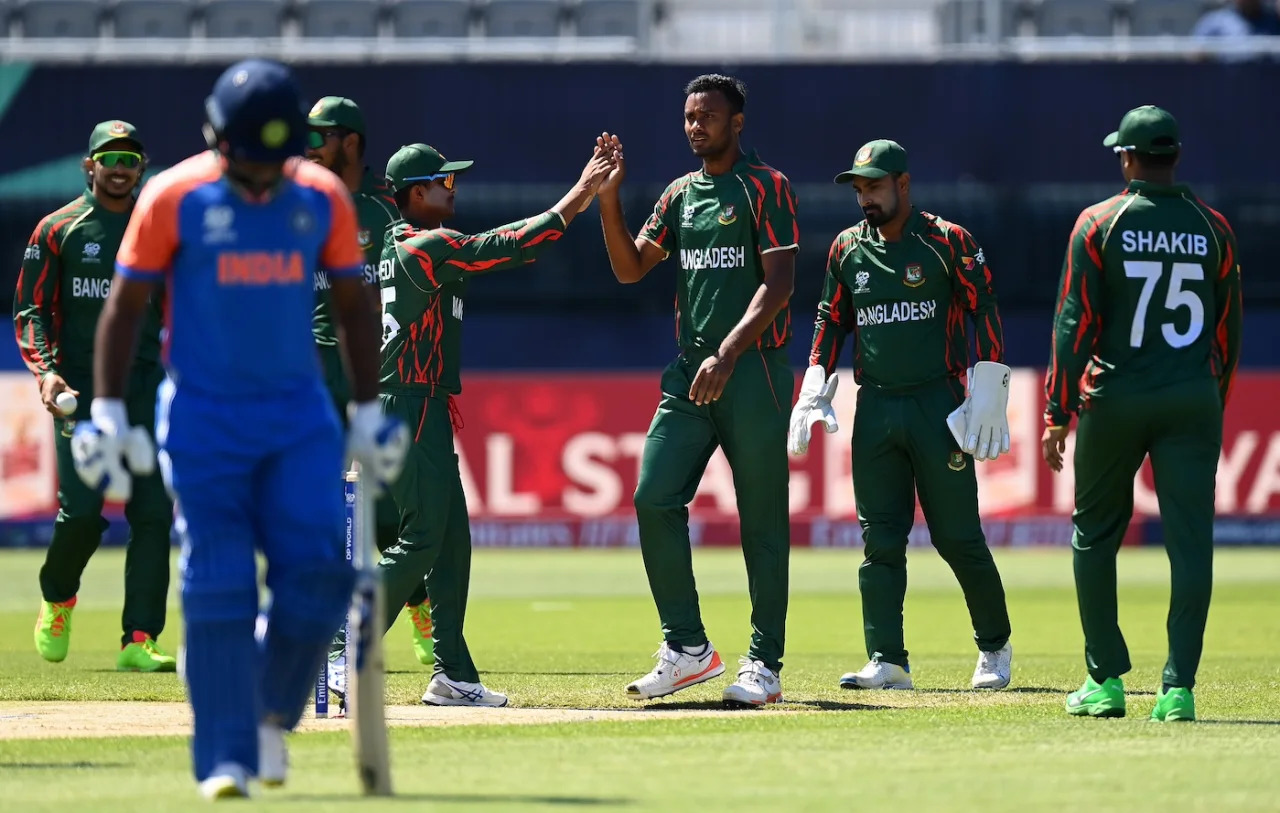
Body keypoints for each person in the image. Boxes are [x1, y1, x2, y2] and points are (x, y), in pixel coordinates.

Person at [70, 59, 407, 798]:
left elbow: (355, 303)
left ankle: (266, 710)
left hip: (298, 417)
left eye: (272, 168)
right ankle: (225, 754)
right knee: (217, 581)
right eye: (247, 167)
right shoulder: (173, 196)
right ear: (215, 137)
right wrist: (104, 408)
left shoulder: (320, 198)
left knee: (321, 577)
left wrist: (367, 408)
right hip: (203, 416)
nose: (260, 184)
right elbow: (124, 308)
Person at [374, 141, 613, 707]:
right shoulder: (428, 246)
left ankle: (451, 673)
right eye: (443, 182)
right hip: (410, 403)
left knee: (451, 541)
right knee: (423, 537)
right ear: (415, 194)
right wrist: (582, 192)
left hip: (412, 403)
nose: (453, 189)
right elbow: (516, 245)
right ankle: (334, 644)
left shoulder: (394, 245)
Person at [594, 73, 799, 707]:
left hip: (753, 368)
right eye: (688, 117)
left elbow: (781, 282)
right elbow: (630, 268)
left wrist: (729, 353)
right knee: (653, 496)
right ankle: (687, 648)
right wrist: (608, 197)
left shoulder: (768, 187)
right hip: (690, 372)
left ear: (737, 122)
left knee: (761, 520)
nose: (695, 126)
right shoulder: (681, 195)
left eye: (707, 116)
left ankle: (763, 663)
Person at [1043, 105, 1242, 722]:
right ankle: (1178, 689)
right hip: (1191, 398)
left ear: (1127, 159)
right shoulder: (1214, 229)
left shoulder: (1100, 222)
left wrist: (1057, 410)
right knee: (1191, 544)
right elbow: (1229, 331)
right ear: (1175, 156)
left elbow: (1075, 320)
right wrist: (1213, 402)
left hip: (1117, 397)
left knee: (1095, 536)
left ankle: (1104, 681)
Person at [794, 138, 1014, 692]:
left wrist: (988, 383)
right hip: (874, 407)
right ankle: (887, 658)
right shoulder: (847, 249)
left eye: (875, 186)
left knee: (958, 537)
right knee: (880, 540)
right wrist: (814, 382)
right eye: (860, 188)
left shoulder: (946, 241)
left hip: (936, 404)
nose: (866, 197)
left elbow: (982, 307)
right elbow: (829, 318)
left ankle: (994, 648)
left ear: (904, 185)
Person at [12, 120, 176, 672]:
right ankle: (58, 598)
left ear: (142, 167)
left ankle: (139, 638)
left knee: (153, 511)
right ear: (89, 166)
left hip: (144, 388)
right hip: (78, 390)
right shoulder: (59, 229)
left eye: (130, 156)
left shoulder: (156, 230)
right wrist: (46, 373)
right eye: (109, 157)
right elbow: (31, 309)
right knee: (82, 515)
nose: (119, 166)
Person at [305, 95, 433, 671]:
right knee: (324, 508)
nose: (309, 145)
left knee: (380, 511)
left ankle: (418, 603)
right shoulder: (295, 204)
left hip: (370, 373)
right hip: (307, 376)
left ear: (350, 141)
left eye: (321, 134)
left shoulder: (385, 213)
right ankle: (330, 636)